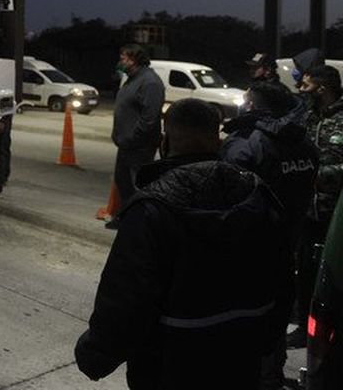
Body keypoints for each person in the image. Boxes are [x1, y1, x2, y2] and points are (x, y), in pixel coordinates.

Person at [75, 99, 292, 389]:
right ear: (217, 141)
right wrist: (263, 342)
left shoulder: (151, 208)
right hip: (240, 366)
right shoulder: (257, 195)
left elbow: (125, 300)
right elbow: (283, 282)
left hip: (167, 369)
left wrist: (95, 354)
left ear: (164, 143)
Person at [220, 80, 318, 387]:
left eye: (247, 102)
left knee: (245, 316)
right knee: (275, 314)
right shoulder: (303, 143)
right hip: (287, 240)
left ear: (257, 108)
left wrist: (237, 133)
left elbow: (230, 185)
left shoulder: (252, 143)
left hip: (250, 246)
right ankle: (271, 375)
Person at [293, 64, 343, 347]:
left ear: (323, 87)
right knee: (306, 271)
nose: (302, 90)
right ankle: (304, 328)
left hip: (336, 212)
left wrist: (321, 176)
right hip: (308, 210)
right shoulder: (308, 115)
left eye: (307, 86)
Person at [107, 44, 165, 227]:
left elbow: (150, 118)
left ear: (134, 59)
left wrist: (132, 139)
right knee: (123, 182)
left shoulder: (150, 82)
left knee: (136, 186)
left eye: (123, 58)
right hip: (126, 144)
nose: (120, 61)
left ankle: (139, 225)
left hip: (139, 146)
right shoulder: (131, 79)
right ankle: (126, 219)